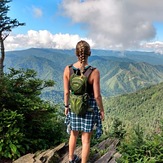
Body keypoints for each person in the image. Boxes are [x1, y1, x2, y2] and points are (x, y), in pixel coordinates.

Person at [63, 40, 105, 163]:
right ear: (89, 53)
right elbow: (97, 96)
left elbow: (66, 92)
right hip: (89, 108)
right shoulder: (94, 72)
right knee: (86, 140)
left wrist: (66, 106)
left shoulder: (68, 69)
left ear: (76, 53)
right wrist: (101, 110)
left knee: (73, 134)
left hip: (74, 107)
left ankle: (71, 159)